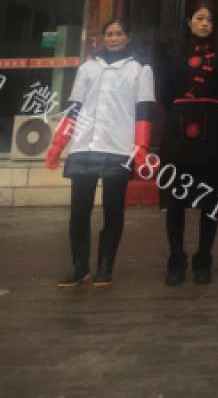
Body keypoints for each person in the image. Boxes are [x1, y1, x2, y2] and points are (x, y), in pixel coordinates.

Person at [46, 18, 155, 288]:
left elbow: (144, 111)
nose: (113, 38)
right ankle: (79, 267)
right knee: (79, 212)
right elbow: (74, 107)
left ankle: (105, 266)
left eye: (119, 33)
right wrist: (58, 143)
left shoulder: (140, 70)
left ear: (128, 37)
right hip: (85, 145)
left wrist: (141, 147)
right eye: (109, 34)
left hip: (118, 147)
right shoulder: (87, 68)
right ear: (103, 37)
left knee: (112, 211)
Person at [158, 3, 218, 286]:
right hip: (177, 134)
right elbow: (165, 94)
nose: (205, 24)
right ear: (188, 21)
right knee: (175, 201)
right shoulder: (173, 53)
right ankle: (176, 258)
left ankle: (204, 259)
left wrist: (215, 116)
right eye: (200, 18)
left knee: (209, 201)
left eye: (210, 19)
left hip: (211, 133)